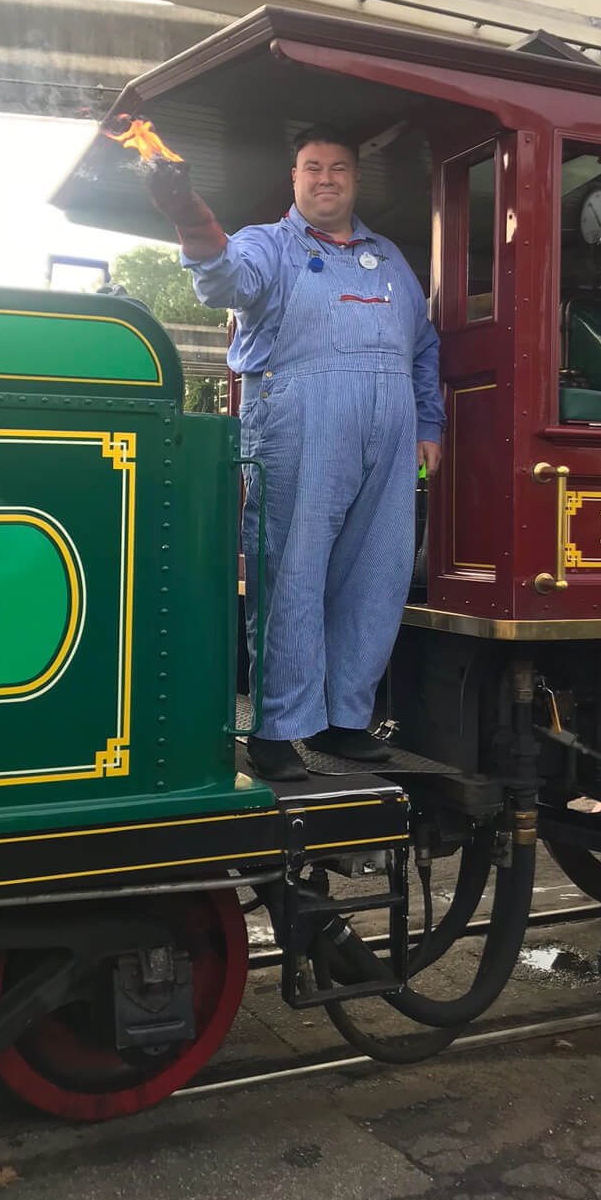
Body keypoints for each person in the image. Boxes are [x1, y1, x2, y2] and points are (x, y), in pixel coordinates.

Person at [148, 124, 443, 781]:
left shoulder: (390, 257)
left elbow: (423, 347)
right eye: (313, 167)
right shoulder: (267, 245)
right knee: (294, 577)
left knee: (376, 579)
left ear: (355, 180)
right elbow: (223, 279)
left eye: (339, 167)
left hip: (391, 436)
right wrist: (189, 216)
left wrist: (431, 422)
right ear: (295, 179)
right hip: (299, 423)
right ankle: (280, 731)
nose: (327, 179)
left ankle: (344, 722)